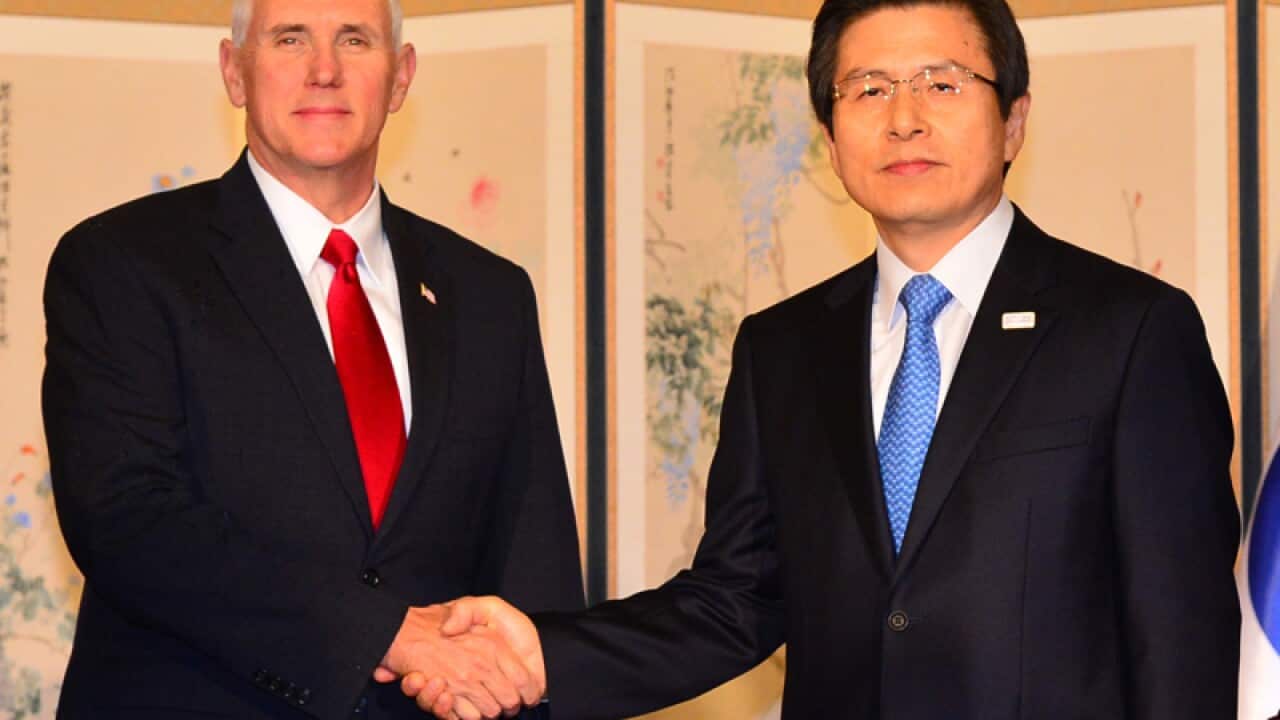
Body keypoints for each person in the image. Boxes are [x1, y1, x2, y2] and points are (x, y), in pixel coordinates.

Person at [406, 0, 1242, 718]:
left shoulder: (1130, 332)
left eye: (942, 83)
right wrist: (542, 654)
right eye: (869, 88)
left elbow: (1181, 635)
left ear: (1014, 119)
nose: (903, 118)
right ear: (830, 135)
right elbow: (736, 600)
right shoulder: (782, 348)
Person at [40, 0, 583, 717]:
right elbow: (127, 521)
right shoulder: (122, 265)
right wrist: (386, 634)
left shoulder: (489, 294)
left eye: (354, 40)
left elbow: (533, 563)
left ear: (400, 78)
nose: (324, 70)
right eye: (290, 39)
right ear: (234, 72)